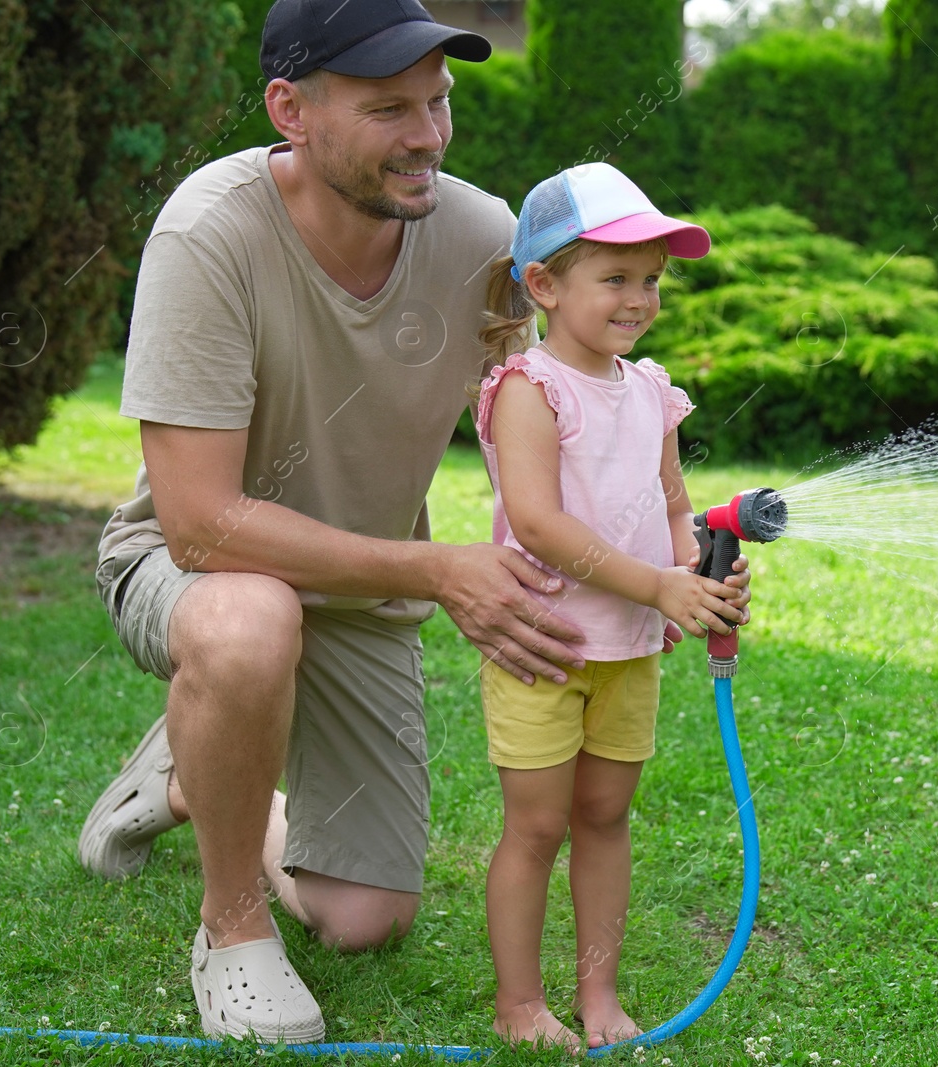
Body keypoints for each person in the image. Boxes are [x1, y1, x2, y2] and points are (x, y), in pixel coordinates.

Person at [78, 0, 751, 1045]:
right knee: (252, 620)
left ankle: (203, 771)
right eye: (390, 107)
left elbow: (555, 418)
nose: (428, 135)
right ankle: (232, 927)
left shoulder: (485, 240)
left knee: (363, 920)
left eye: (437, 103)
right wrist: (439, 568)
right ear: (290, 109)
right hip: (194, 570)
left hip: (366, 595)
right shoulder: (209, 233)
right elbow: (201, 523)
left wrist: (660, 563)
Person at [473, 163, 744, 1050]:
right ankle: (520, 1004)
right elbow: (542, 526)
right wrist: (657, 583)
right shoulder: (530, 389)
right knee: (539, 824)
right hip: (544, 645)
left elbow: (672, 505)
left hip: (627, 650)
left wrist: (692, 576)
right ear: (544, 284)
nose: (639, 299)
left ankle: (598, 995)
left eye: (653, 280)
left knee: (604, 818)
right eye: (617, 277)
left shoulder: (652, 391)